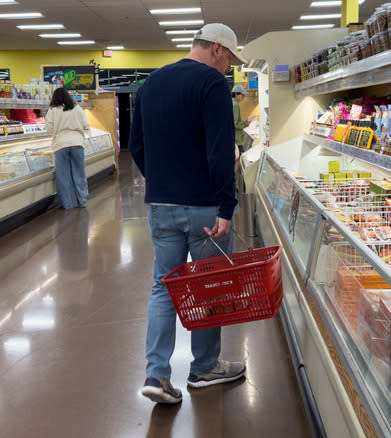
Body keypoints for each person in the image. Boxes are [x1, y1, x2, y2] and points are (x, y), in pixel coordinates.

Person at [129, 23, 247, 405]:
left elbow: (136, 145)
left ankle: (156, 375)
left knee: (163, 286)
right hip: (205, 209)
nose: (229, 68)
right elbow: (220, 149)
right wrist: (226, 206)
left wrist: (161, 184)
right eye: (229, 58)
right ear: (217, 49)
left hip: (160, 207)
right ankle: (204, 368)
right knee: (208, 285)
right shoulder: (212, 84)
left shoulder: (150, 84)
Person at [46, 87, 90, 209]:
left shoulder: (52, 110)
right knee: (79, 173)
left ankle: (68, 204)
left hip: (60, 144)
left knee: (63, 176)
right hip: (77, 142)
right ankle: (82, 201)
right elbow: (85, 124)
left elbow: (49, 128)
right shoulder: (76, 108)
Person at [231, 84, 250, 153]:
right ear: (236, 94)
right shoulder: (235, 105)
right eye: (242, 95)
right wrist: (246, 123)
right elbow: (235, 123)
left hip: (233, 138)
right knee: (239, 159)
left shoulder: (231, 102)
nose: (244, 97)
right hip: (236, 140)